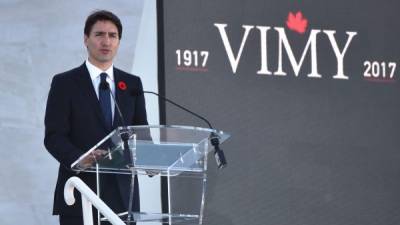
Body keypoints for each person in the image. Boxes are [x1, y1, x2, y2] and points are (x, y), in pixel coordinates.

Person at [44, 10, 148, 225]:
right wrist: (80, 159)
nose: (106, 41)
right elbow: (54, 136)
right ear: (86, 39)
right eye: (99, 34)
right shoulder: (65, 83)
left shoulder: (132, 84)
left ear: (119, 41)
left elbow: (142, 134)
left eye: (113, 35)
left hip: (122, 199)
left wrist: (155, 157)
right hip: (81, 191)